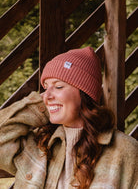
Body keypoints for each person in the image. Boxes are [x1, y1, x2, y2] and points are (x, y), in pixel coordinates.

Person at [0, 47, 137, 189]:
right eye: (46, 87)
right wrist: (39, 106)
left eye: (58, 86)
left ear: (84, 94)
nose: (46, 95)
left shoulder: (124, 151)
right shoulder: (38, 145)